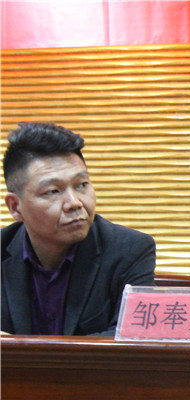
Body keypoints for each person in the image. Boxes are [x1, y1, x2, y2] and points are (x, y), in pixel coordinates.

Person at [1, 122, 156, 336]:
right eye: (53, 191)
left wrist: (18, 350)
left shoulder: (130, 250)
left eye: (82, 185)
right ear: (15, 207)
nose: (74, 203)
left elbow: (131, 337)